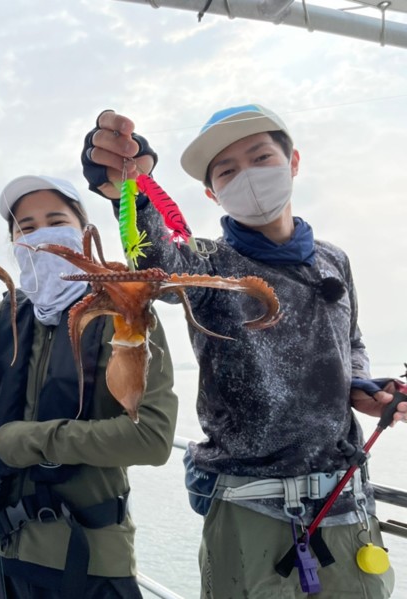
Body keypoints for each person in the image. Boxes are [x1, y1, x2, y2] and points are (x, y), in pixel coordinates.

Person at [81, 105, 405, 598]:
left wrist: (361, 386)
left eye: (261, 157)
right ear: (212, 193)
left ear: (293, 162)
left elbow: (351, 342)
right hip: (249, 510)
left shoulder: (334, 260)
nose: (248, 176)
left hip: (346, 507)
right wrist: (131, 191)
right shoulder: (208, 262)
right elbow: (156, 263)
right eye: (228, 171)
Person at [0, 175, 179, 599]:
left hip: (89, 566)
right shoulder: (7, 317)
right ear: (14, 242)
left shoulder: (126, 315)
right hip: (0, 559)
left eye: (56, 221)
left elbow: (152, 438)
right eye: (25, 227)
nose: (41, 235)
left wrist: (25, 441)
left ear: (84, 231)